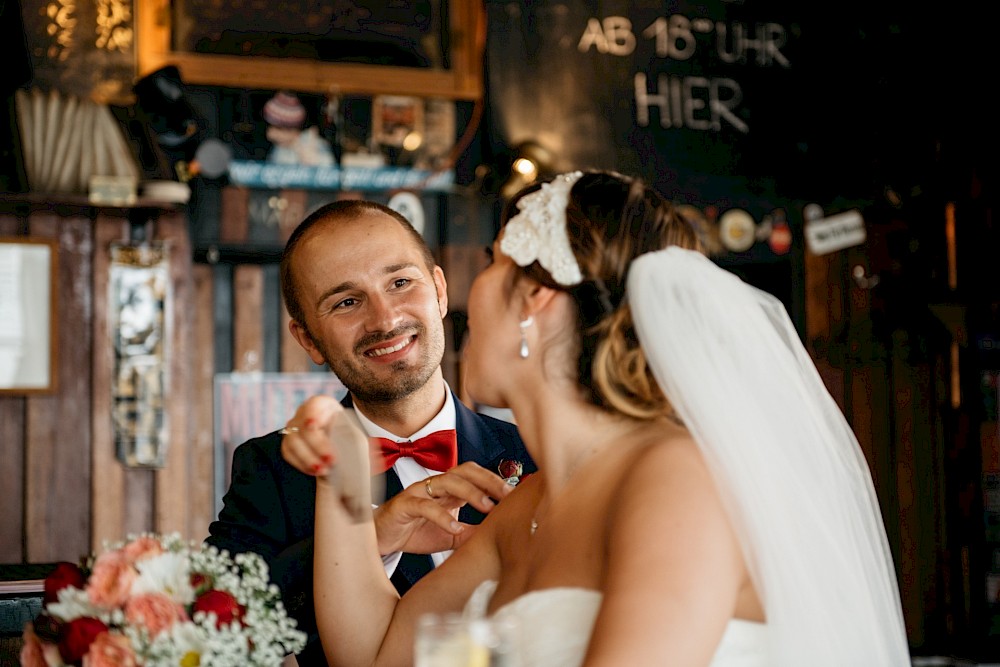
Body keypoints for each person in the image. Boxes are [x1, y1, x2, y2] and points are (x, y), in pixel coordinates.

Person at [280, 171, 910, 666]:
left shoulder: (676, 477)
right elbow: (382, 656)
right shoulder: (525, 509)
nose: (472, 295)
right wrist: (343, 479)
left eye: (496, 263)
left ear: (536, 299)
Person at [206, 200, 535, 666]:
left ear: (439, 291)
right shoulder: (271, 470)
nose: (384, 319)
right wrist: (373, 538)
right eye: (346, 302)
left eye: (400, 283)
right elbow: (213, 619)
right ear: (308, 340)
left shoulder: (536, 455)